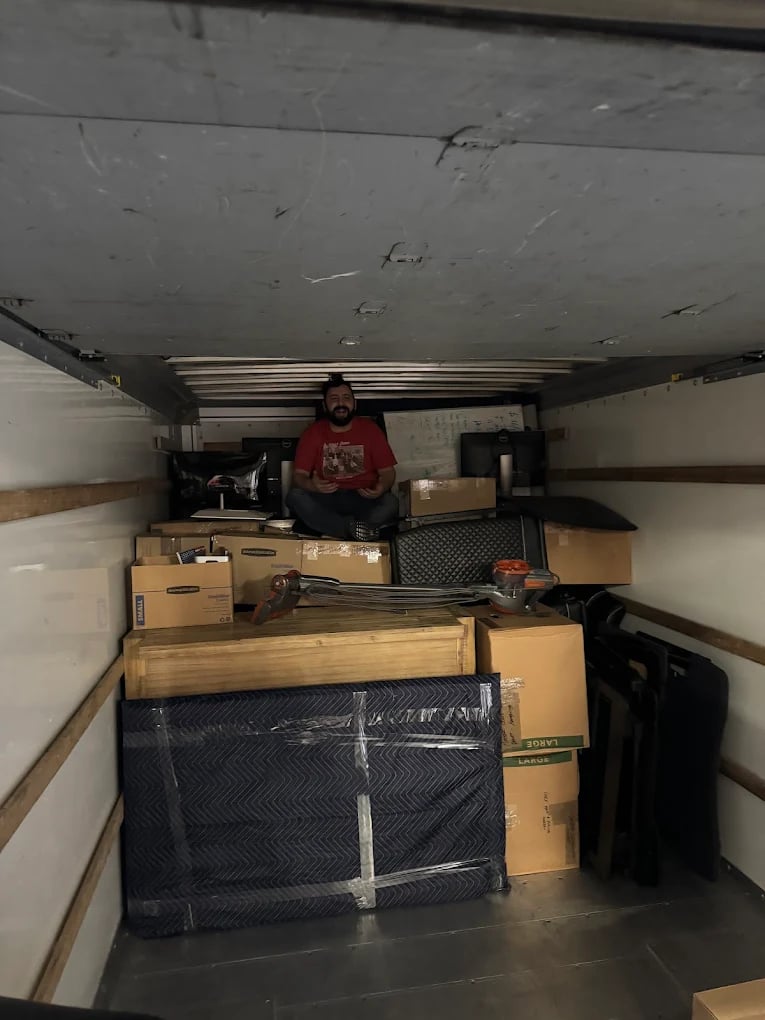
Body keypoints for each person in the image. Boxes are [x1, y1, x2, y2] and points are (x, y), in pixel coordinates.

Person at [287, 374, 398, 540]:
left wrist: (380, 488)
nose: (341, 403)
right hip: (327, 499)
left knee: (391, 502)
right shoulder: (313, 433)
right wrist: (312, 485)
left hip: (363, 498)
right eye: (334, 398)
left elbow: (388, 472)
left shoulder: (371, 430)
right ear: (325, 406)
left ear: (355, 403)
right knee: (295, 497)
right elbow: (299, 476)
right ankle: (355, 531)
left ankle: (338, 529)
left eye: (346, 398)